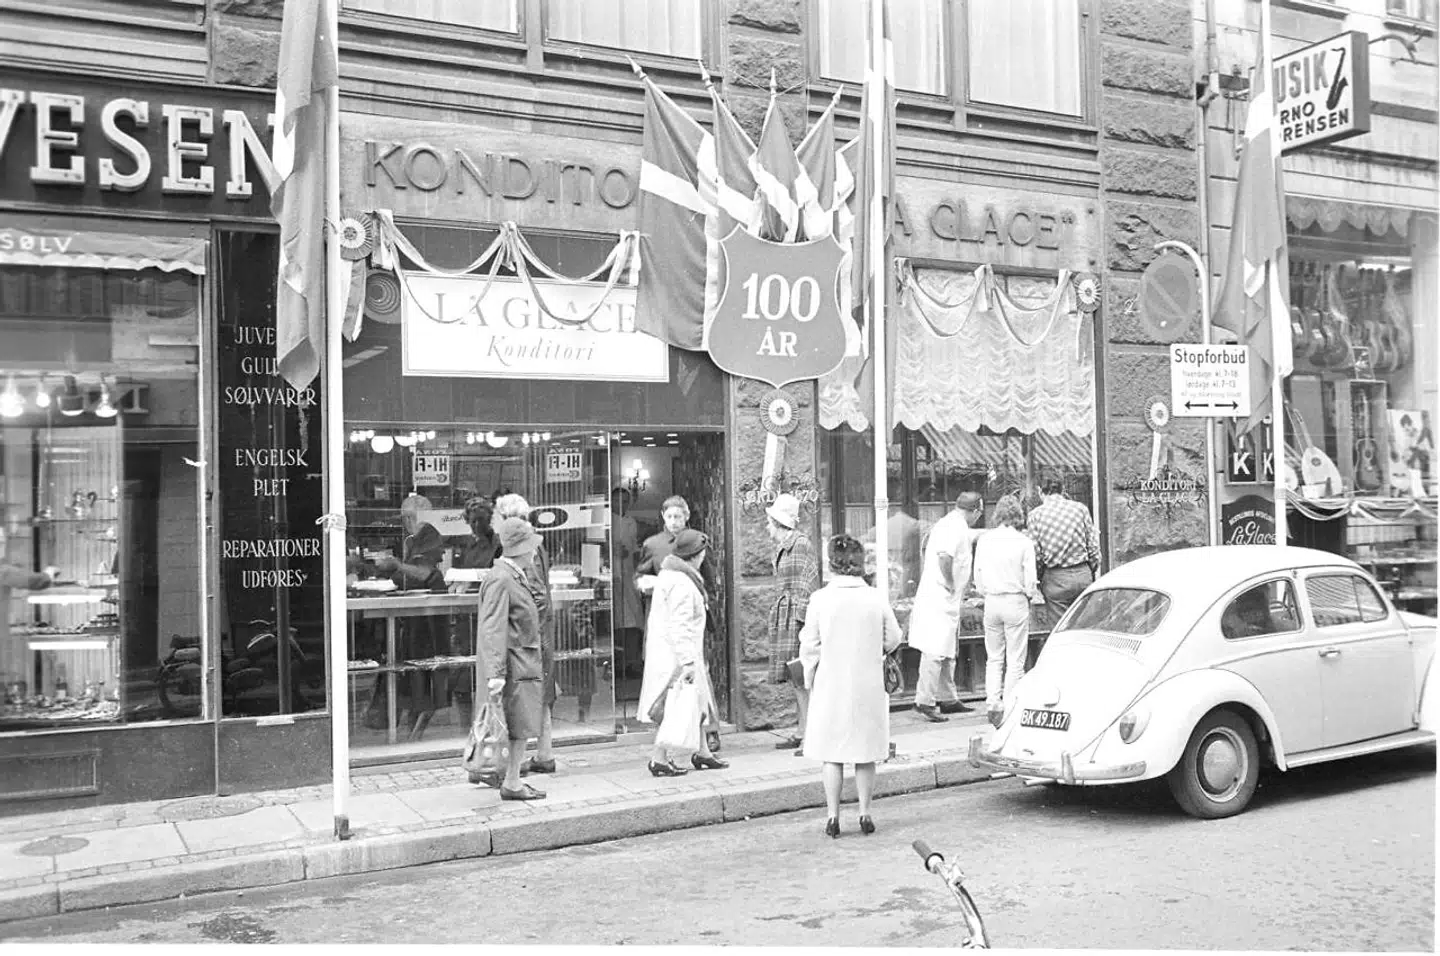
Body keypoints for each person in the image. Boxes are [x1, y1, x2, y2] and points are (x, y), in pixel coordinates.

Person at [800, 534, 902, 838]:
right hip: (868, 682)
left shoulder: (820, 599)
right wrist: (877, 649)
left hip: (831, 681)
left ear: (832, 563)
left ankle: (832, 817)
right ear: (860, 563)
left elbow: (810, 644)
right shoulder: (875, 597)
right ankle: (864, 813)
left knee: (832, 752)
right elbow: (894, 637)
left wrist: (809, 677)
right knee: (865, 751)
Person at [636, 529, 727, 776]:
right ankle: (659, 759)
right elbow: (681, 625)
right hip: (678, 657)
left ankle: (703, 753)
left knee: (697, 703)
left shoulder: (670, 575)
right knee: (673, 706)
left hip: (676, 652)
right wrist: (687, 662)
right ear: (696, 555)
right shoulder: (683, 584)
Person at [475, 517, 546, 801]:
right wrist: (495, 673)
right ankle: (510, 781)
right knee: (515, 724)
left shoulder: (510, 575)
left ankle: (512, 779)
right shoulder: (502, 578)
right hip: (514, 664)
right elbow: (492, 627)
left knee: (520, 724)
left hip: (520, 663)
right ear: (521, 549)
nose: (534, 552)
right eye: (531, 547)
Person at [494, 493, 556, 777]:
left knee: (527, 692)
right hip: (537, 632)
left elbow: (537, 594)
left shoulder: (526, 547)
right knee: (539, 690)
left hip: (531, 635)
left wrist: (528, 632)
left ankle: (521, 762)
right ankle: (544, 753)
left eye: (496, 515)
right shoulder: (533, 543)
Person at [906, 492, 983, 722]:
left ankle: (948, 698)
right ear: (975, 511)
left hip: (945, 598)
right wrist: (950, 582)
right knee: (936, 649)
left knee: (947, 650)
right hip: (940, 596)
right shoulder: (953, 527)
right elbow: (945, 557)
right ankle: (924, 700)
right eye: (979, 513)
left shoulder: (952, 524)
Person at [375, 522, 449, 740]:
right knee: (427, 693)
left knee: (416, 692)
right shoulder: (428, 575)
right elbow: (425, 577)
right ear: (429, 549)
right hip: (427, 640)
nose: (444, 552)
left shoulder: (409, 574)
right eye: (440, 547)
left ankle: (411, 735)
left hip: (413, 640)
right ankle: (414, 737)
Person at [973, 495, 1040, 728]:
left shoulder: (985, 540)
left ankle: (992, 703)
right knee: (1015, 659)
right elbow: (1031, 579)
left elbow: (978, 575)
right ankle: (1011, 704)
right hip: (1015, 599)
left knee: (993, 657)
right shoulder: (1024, 542)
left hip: (992, 600)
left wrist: (985, 592)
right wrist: (1029, 594)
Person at [765, 492, 818, 753]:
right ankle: (801, 730)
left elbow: (807, 584)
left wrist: (801, 622)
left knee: (801, 677)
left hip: (796, 619)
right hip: (788, 616)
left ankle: (809, 735)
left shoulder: (800, 545)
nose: (767, 527)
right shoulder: (787, 546)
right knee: (796, 678)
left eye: (769, 523)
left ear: (778, 523)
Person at [1025, 479, 1100, 629]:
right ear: (1063, 489)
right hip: (1083, 573)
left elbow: (1037, 555)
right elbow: (1093, 548)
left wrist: (1041, 578)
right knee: (1085, 628)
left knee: (1061, 630)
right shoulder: (1080, 509)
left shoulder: (1035, 515)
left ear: (1040, 491)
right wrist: (1089, 570)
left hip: (1055, 578)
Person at [610, 487, 644, 684]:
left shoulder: (631, 523)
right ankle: (617, 664)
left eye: (624, 501)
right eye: (617, 500)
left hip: (628, 574)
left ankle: (631, 662)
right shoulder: (607, 520)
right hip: (612, 575)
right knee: (616, 621)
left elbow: (633, 548)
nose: (621, 504)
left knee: (633, 620)